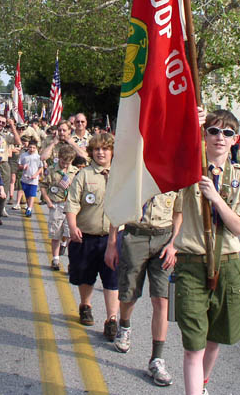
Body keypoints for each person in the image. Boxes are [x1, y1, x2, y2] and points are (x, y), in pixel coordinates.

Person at [173, 109, 240, 395]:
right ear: (205, 136)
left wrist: (216, 199)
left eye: (227, 133)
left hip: (228, 265)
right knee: (193, 345)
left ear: (235, 140)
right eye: (213, 131)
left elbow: (238, 227)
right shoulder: (188, 170)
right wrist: (191, 125)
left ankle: (203, 383)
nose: (220, 137)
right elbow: (168, 153)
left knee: (214, 339)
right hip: (192, 264)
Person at [104, 190, 180, 387]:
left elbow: (179, 211)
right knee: (128, 293)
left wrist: (174, 244)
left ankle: (157, 358)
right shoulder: (135, 168)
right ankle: (125, 326)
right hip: (135, 236)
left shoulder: (173, 173)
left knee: (161, 298)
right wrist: (112, 243)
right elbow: (118, 209)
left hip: (164, 239)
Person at [65, 133, 119, 338]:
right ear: (91, 152)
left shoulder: (120, 175)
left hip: (112, 238)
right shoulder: (84, 175)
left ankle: (111, 319)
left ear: (112, 151)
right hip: (86, 235)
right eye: (97, 149)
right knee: (86, 274)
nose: (101, 152)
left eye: (105, 149)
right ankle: (85, 305)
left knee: (112, 278)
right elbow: (72, 202)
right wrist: (72, 225)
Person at [40, 145, 78, 271]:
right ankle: (55, 259)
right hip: (56, 204)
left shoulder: (76, 172)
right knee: (55, 233)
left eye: (68, 163)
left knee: (70, 234)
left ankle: (71, 261)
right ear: (59, 158)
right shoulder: (51, 170)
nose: (65, 165)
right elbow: (43, 185)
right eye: (63, 162)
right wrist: (48, 200)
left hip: (71, 206)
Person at [0, 115, 21, 222]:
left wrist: (12, 126)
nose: (0, 124)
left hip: (3, 164)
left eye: (3, 123)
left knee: (4, 189)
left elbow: (18, 142)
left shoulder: (6, 135)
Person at [19, 139, 44, 217]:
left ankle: (29, 209)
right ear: (28, 147)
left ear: (36, 148)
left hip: (34, 179)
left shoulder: (38, 157)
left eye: (33, 148)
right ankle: (28, 205)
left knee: (32, 194)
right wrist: (23, 167)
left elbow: (41, 167)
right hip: (25, 178)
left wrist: (36, 175)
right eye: (30, 147)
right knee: (27, 195)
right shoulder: (23, 155)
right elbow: (19, 165)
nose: (32, 149)